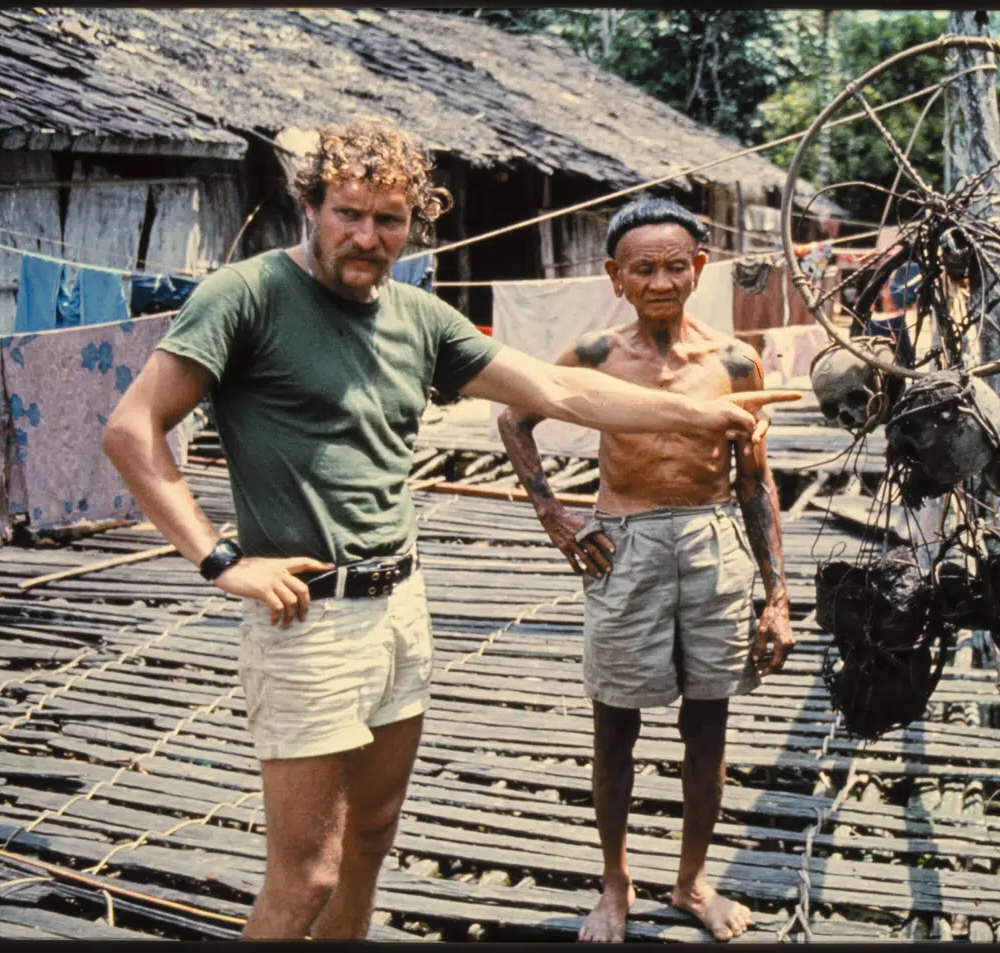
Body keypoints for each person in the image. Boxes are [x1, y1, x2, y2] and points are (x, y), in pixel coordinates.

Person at [101, 120, 799, 941]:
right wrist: (221, 558)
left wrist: (699, 414)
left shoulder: (418, 316)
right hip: (306, 614)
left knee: (371, 836)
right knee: (307, 873)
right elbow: (132, 430)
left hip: (400, 603)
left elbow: (556, 392)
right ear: (310, 206)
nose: (368, 237)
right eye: (349, 214)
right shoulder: (246, 295)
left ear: (413, 225)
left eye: (389, 220)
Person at [497, 197, 796, 943]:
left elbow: (755, 480)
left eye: (674, 266)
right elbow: (513, 416)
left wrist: (778, 596)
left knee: (708, 725)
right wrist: (554, 515)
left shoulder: (733, 361)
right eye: (642, 269)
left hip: (713, 546)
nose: (660, 282)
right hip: (624, 547)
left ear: (699, 269)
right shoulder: (595, 355)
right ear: (616, 276)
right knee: (614, 727)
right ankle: (615, 881)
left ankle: (692, 879)